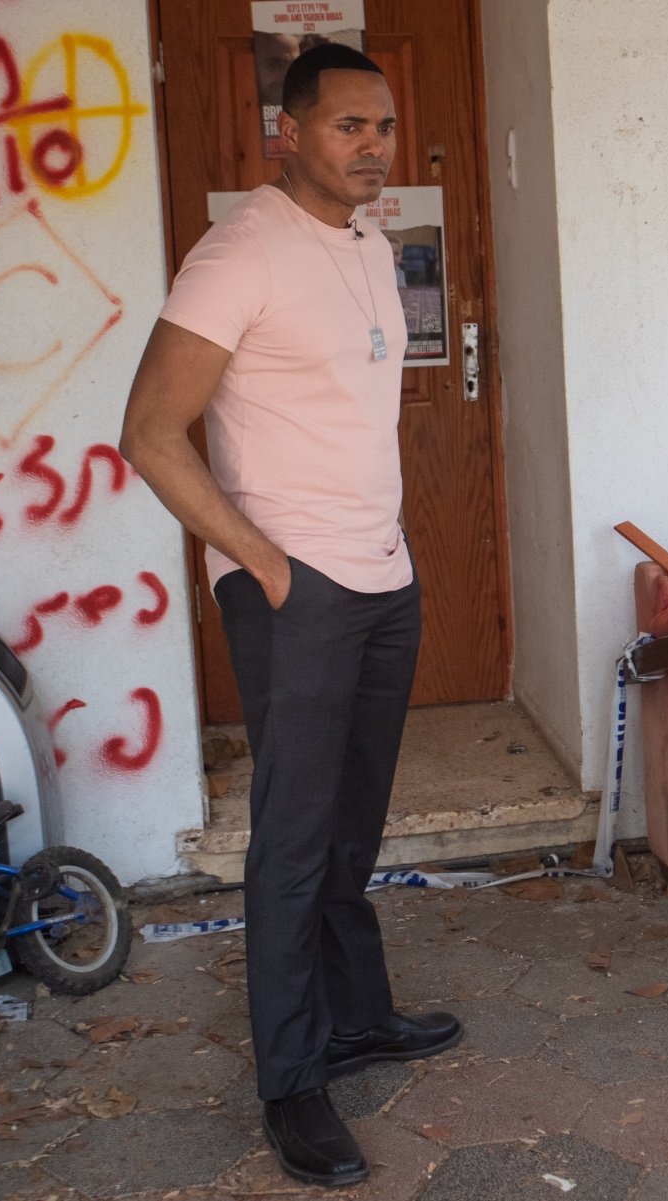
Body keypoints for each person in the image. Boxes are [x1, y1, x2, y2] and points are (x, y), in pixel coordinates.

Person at [116, 43, 461, 1190]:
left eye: (383, 125)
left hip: (381, 574)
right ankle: (292, 1080)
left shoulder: (367, 243)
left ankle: (357, 1018)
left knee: (352, 825)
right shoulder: (238, 252)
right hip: (294, 590)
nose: (372, 145)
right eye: (347, 126)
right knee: (294, 835)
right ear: (288, 131)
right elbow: (151, 431)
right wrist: (261, 560)